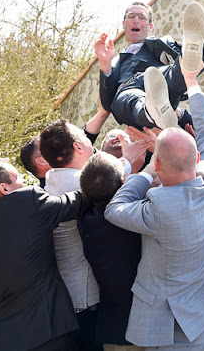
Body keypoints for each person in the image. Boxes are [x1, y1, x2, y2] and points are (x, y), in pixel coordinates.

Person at [104, 60, 204, 349]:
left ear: (157, 164)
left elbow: (114, 209)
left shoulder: (158, 208)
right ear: (196, 161)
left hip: (173, 327)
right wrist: (192, 82)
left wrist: (143, 173)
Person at [39, 119, 150, 350]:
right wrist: (128, 161)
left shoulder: (53, 178)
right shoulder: (78, 183)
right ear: (79, 147)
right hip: (87, 300)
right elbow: (102, 182)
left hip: (70, 298)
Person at [0, 158, 92, 350]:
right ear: (4, 188)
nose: (25, 181)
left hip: (3, 338)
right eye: (19, 178)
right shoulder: (27, 201)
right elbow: (78, 202)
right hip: (46, 333)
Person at [95, 1, 204, 129]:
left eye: (142, 17)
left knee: (173, 72)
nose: (136, 20)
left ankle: (192, 46)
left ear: (150, 26)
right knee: (130, 99)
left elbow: (191, 67)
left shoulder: (163, 44)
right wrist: (105, 64)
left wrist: (190, 49)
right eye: (131, 16)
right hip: (128, 90)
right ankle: (150, 110)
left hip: (158, 80)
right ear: (124, 24)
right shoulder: (115, 62)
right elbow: (107, 104)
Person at [78, 152, 144, 351]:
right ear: (124, 182)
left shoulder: (84, 221)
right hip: (140, 328)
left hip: (110, 327)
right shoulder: (134, 218)